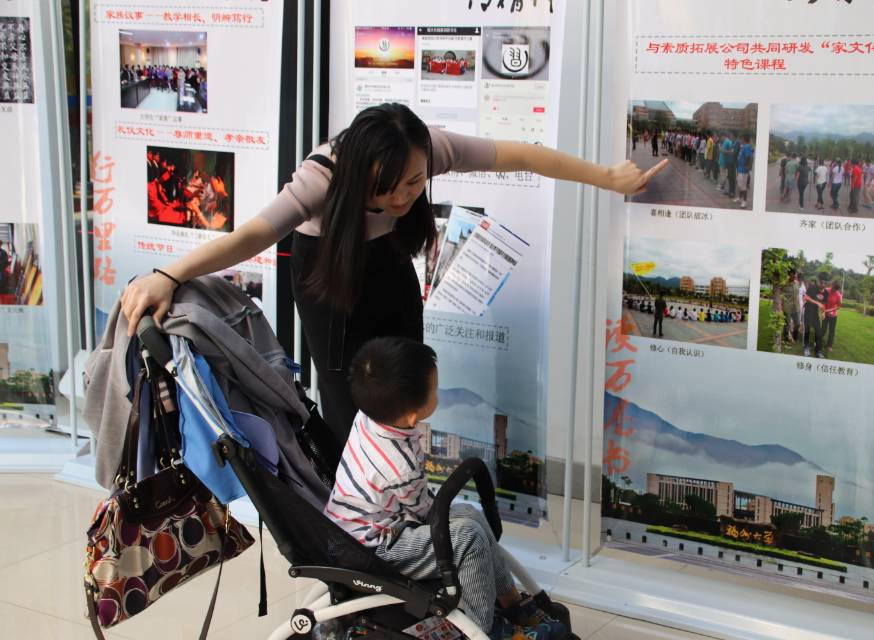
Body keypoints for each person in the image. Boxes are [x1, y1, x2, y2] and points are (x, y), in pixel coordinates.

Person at [121, 103, 662, 446]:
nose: (404, 197)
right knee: (350, 406)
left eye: (415, 184)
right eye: (387, 188)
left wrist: (606, 177)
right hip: (330, 281)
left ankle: (401, 496)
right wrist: (169, 274)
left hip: (389, 267)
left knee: (407, 385)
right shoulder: (322, 177)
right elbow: (254, 234)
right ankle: (353, 524)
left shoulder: (423, 147)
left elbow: (519, 155)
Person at [324, 337, 568, 639]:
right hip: (373, 548)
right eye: (435, 390)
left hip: (368, 524)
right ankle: (483, 627)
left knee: (470, 514)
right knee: (469, 539)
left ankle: (511, 602)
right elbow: (425, 513)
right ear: (413, 415)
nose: (439, 394)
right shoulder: (398, 465)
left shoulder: (369, 416)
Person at [802, 276, 826, 358]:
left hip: (815, 314)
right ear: (818, 281)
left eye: (825, 283)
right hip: (808, 311)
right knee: (807, 330)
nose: (823, 285)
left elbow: (823, 304)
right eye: (821, 283)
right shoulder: (812, 287)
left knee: (819, 332)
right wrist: (817, 303)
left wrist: (823, 312)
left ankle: (818, 351)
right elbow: (806, 297)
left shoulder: (825, 292)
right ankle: (806, 348)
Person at [823, 280, 843, 353]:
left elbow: (838, 306)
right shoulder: (826, 290)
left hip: (833, 315)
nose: (833, 290)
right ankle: (818, 341)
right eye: (832, 288)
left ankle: (829, 345)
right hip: (824, 313)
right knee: (823, 329)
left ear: (837, 289)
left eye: (835, 289)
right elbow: (823, 300)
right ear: (831, 285)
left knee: (831, 331)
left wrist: (829, 310)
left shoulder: (838, 295)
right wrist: (823, 310)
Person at [782, 270, 800, 343]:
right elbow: (781, 295)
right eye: (792, 275)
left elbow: (797, 294)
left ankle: (794, 337)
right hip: (787, 307)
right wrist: (782, 305)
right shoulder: (784, 284)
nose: (794, 276)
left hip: (796, 307)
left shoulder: (797, 283)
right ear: (789, 275)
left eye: (794, 275)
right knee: (787, 324)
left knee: (798, 323)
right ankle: (786, 338)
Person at [735, 136, 753, 209]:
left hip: (743, 170)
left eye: (741, 139)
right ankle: (740, 198)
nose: (740, 140)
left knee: (743, 186)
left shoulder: (746, 147)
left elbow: (749, 157)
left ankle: (744, 202)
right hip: (740, 169)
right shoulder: (743, 146)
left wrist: (747, 166)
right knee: (740, 185)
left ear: (744, 139)